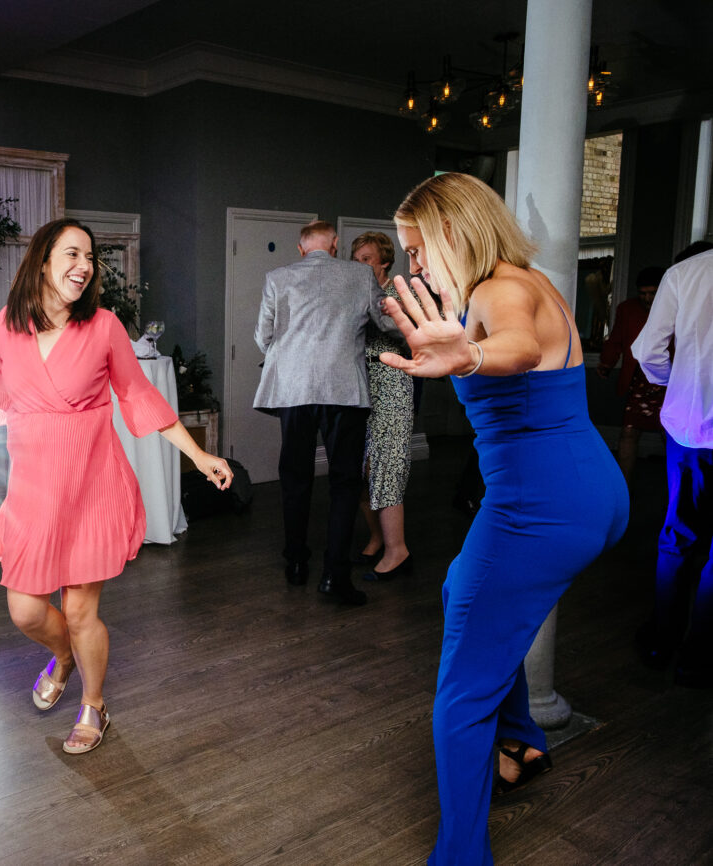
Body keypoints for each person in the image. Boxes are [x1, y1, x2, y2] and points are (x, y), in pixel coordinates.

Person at [380, 172, 628, 866]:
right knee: (463, 589)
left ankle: (461, 855)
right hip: (588, 491)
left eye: (418, 249)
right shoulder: (529, 278)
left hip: (538, 509)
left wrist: (473, 353)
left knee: (460, 693)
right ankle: (523, 739)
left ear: (453, 232)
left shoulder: (501, 292)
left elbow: (515, 344)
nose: (415, 265)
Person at [0, 217, 231, 755]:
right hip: (32, 490)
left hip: (90, 485)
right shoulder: (10, 323)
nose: (85, 266)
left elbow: (139, 395)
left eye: (90, 257)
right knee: (26, 611)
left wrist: (198, 453)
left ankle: (93, 703)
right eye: (72, 254)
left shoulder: (102, 327)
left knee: (81, 612)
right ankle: (66, 655)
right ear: (43, 260)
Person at [253, 219, 399, 605]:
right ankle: (335, 576)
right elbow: (386, 323)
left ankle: (297, 563)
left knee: (296, 477)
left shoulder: (277, 277)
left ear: (302, 249)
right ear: (335, 245)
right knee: (345, 482)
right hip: (343, 390)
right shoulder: (361, 274)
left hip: (294, 390)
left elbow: (262, 337)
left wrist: (293, 354)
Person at [632, 241, 713, 688]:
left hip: (690, 429)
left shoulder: (686, 273)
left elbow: (647, 352)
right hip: (693, 428)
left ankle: (662, 642)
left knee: (678, 536)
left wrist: (676, 381)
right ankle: (698, 658)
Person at [349, 231, 413, 581]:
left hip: (391, 383)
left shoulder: (399, 294)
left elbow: (408, 337)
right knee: (360, 471)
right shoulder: (356, 293)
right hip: (360, 386)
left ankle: (397, 551)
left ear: (385, 261)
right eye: (356, 258)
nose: (359, 265)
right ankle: (377, 537)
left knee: (386, 468)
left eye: (367, 259)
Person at [597, 265, 667, 483]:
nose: (647, 298)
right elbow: (616, 338)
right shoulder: (627, 309)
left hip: (669, 380)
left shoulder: (675, 307)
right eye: (643, 293)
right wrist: (606, 363)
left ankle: (678, 493)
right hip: (638, 381)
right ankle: (623, 488)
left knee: (673, 436)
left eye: (652, 293)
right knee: (628, 431)